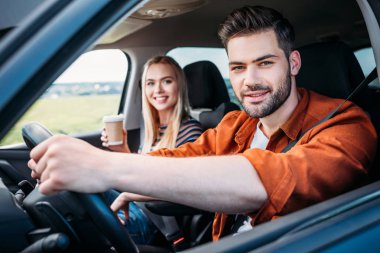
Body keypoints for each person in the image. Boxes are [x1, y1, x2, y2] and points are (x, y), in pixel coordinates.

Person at [28, 5, 377, 242]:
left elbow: (271, 178)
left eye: (265, 63)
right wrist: (126, 176)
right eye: (238, 67)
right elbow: (184, 158)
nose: (249, 81)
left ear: (294, 63)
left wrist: (106, 166)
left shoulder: (347, 125)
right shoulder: (236, 124)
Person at [101, 55, 203, 244]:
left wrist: (127, 195)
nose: (158, 90)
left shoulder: (191, 131)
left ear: (179, 85)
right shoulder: (153, 129)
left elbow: (181, 184)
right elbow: (144, 175)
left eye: (167, 81)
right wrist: (121, 148)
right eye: (150, 83)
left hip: (158, 223)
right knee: (86, 188)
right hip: (139, 209)